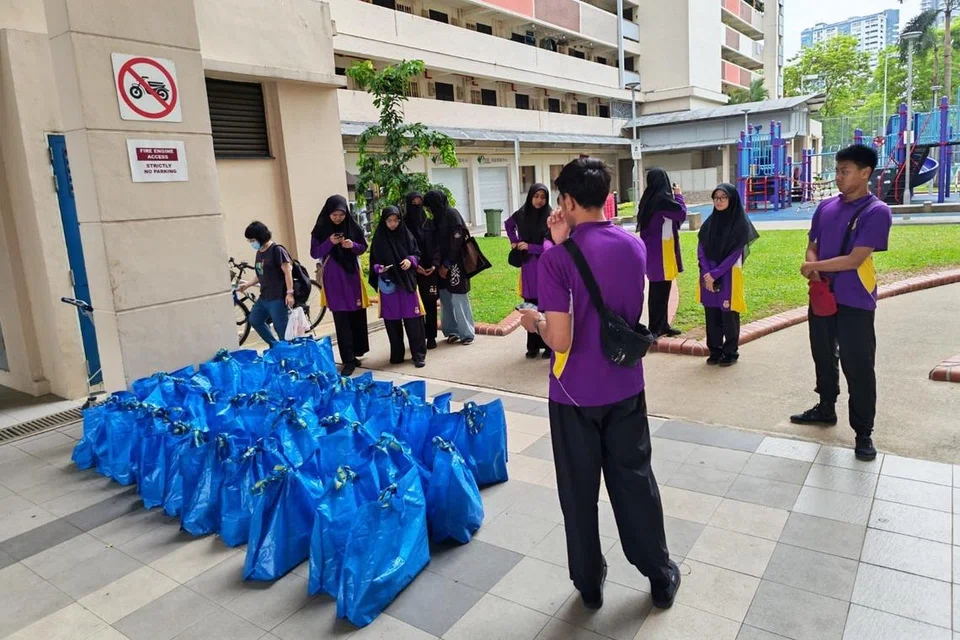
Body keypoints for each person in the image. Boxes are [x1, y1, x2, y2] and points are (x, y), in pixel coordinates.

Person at [518, 158, 680, 611]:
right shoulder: (634, 247)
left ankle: (589, 583)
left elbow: (561, 337)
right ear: (606, 197)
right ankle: (659, 572)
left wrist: (534, 322)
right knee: (635, 481)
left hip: (572, 395)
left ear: (567, 201)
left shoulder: (555, 260)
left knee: (579, 489)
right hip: (625, 384)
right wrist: (562, 244)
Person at [792, 145, 892, 461]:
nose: (838, 177)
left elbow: (855, 259)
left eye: (845, 170)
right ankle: (825, 407)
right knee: (822, 354)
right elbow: (813, 246)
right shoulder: (825, 208)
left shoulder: (877, 211)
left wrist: (814, 268)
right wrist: (813, 265)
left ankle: (864, 433)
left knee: (858, 364)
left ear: (865, 173)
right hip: (822, 297)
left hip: (855, 301)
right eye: (837, 170)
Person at [697, 184, 759, 366]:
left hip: (729, 274)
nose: (719, 201)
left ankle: (730, 352)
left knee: (728, 314)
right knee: (712, 314)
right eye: (716, 197)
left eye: (723, 197)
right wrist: (707, 273)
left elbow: (735, 254)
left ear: (731, 199)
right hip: (709, 276)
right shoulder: (709, 223)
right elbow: (701, 249)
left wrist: (715, 273)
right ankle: (715, 350)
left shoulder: (740, 224)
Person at [311, 195, 370, 377]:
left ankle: (355, 353)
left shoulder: (352, 227)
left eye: (341, 214)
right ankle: (347, 360)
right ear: (328, 213)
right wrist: (330, 242)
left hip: (352, 277)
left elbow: (363, 247)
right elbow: (314, 253)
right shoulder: (320, 230)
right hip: (333, 279)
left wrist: (352, 245)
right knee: (341, 318)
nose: (338, 218)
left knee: (356, 316)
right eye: (334, 214)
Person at [369, 206, 427, 368]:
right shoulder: (379, 239)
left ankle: (418, 354)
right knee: (392, 322)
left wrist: (410, 260)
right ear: (384, 221)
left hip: (407, 284)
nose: (393, 224)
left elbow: (416, 253)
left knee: (413, 320)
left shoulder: (406, 235)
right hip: (389, 286)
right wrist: (378, 269)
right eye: (389, 221)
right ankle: (397, 354)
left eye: (396, 220)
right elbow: (374, 262)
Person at [505, 183, 554, 359]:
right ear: (530, 196)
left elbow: (553, 244)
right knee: (531, 304)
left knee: (547, 306)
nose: (539, 200)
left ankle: (550, 345)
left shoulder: (551, 216)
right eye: (536, 196)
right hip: (528, 268)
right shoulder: (521, 214)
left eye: (543, 197)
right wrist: (514, 240)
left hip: (545, 266)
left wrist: (530, 246)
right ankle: (533, 345)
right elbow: (508, 224)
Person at [637, 169, 687, 338]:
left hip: (654, 249)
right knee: (659, 290)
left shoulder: (648, 199)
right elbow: (681, 213)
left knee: (661, 288)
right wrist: (679, 195)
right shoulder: (662, 200)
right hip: (661, 250)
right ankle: (655, 327)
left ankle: (662, 325)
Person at [425, 189, 476, 345]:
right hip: (440, 265)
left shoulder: (451, 214)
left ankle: (467, 333)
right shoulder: (436, 219)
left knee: (459, 298)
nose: (429, 210)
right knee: (446, 299)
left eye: (430, 206)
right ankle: (452, 331)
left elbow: (456, 242)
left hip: (456, 265)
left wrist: (447, 264)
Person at [240, 221, 294, 347]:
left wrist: (290, 293)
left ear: (260, 236)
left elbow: (287, 272)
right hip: (264, 297)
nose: (251, 243)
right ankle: (275, 345)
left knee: (282, 330)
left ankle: (288, 357)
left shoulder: (277, 250)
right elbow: (260, 273)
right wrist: (247, 284)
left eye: (252, 240)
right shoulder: (259, 252)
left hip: (278, 298)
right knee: (254, 319)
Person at [405, 191, 440, 350]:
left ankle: (431, 336)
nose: (417, 207)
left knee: (430, 302)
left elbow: (437, 246)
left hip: (429, 270)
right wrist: (414, 265)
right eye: (414, 203)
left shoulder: (429, 223)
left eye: (420, 203)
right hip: (411, 270)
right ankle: (418, 337)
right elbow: (402, 248)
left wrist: (434, 264)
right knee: (413, 304)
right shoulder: (403, 224)